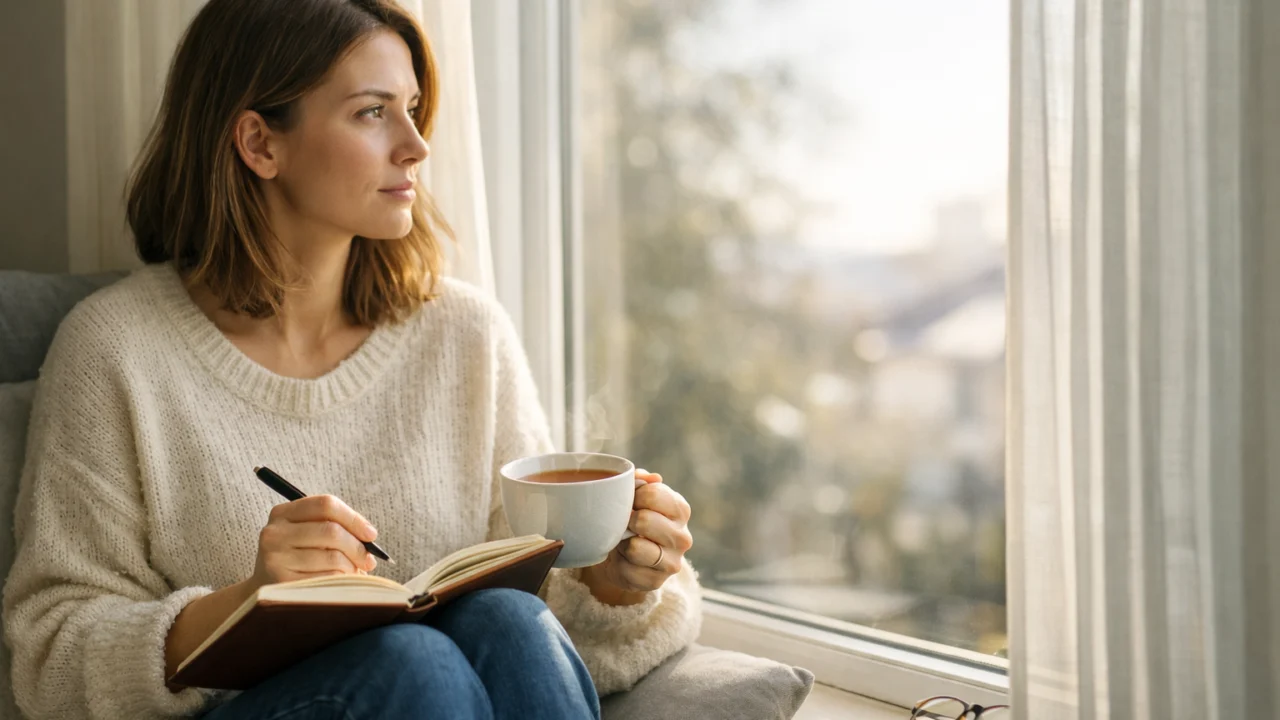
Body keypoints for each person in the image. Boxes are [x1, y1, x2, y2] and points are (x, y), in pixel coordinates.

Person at [1, 1, 701, 718]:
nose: (416, 146)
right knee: (414, 662)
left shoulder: (465, 335)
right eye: (372, 112)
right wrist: (251, 602)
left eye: (413, 109)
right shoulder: (114, 348)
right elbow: (51, 653)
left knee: (508, 617)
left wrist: (615, 581)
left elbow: (545, 620)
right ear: (259, 143)